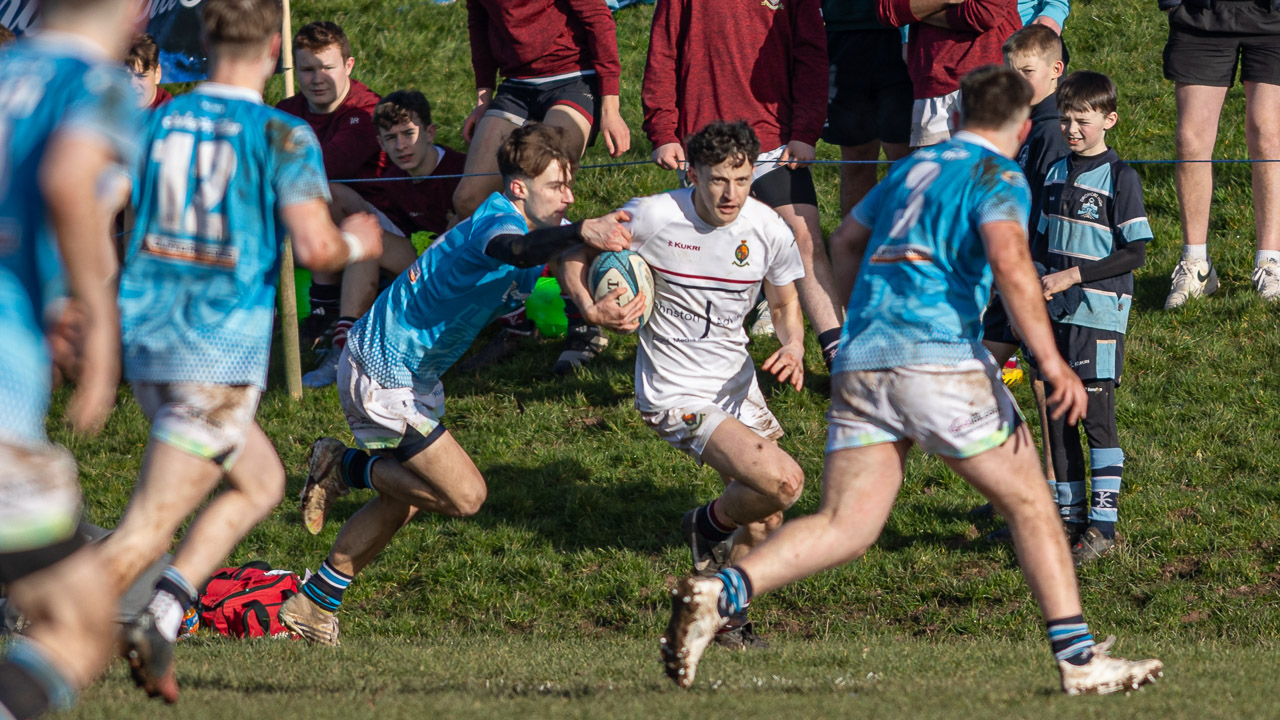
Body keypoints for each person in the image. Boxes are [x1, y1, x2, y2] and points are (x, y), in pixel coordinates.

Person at [659, 65, 1164, 696]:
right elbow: (1011, 264)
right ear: (1017, 126)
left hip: (864, 360)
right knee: (1033, 502)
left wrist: (858, 326)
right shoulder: (998, 173)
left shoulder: (910, 171)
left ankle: (720, 588)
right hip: (940, 361)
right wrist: (1053, 361)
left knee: (846, 524)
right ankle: (1080, 660)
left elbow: (843, 242)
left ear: (955, 117)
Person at [97, 0, 384, 703]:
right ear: (272, 48)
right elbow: (318, 253)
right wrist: (362, 244)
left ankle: (164, 612)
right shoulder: (280, 134)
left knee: (261, 482)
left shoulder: (156, 121)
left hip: (148, 341)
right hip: (214, 351)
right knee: (148, 526)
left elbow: (92, 198)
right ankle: (38, 647)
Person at [278, 123, 640, 646]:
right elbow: (517, 249)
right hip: (382, 367)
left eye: (570, 187)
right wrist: (583, 228)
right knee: (465, 496)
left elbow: (552, 256)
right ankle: (345, 465)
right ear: (519, 187)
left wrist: (591, 309)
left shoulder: (533, 227)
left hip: (412, 374)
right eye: (557, 186)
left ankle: (314, 603)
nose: (570, 197)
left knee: (405, 499)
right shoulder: (495, 221)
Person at [564, 121, 807, 650]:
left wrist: (793, 346)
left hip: (736, 383)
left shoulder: (768, 228)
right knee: (784, 481)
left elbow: (786, 302)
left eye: (742, 180)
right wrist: (591, 309)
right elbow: (574, 249)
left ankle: (727, 618)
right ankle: (709, 525)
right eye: (718, 180)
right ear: (692, 173)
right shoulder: (653, 215)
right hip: (674, 391)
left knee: (768, 510)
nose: (730, 193)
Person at [0, 1, 143, 717]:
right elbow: (65, 179)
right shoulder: (96, 83)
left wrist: (43, 292)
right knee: (82, 626)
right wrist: (102, 332)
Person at [643, 0, 845, 365]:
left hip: (774, 137)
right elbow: (662, 51)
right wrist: (662, 130)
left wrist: (806, 130)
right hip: (703, 140)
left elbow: (812, 56)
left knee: (804, 234)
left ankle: (840, 354)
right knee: (710, 246)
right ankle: (701, 353)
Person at [456, 0, 632, 374]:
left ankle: (584, 324)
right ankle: (515, 321)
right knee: (468, 199)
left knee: (546, 200)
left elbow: (599, 18)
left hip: (573, 78)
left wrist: (611, 107)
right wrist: (483, 100)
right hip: (516, 86)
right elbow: (478, 21)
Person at [1029, 71, 1152, 564]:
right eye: (1065, 119)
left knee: (1096, 421)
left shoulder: (1121, 177)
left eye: (1082, 120)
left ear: (1109, 120)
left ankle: (1103, 528)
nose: (1072, 129)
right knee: (1058, 419)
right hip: (1054, 315)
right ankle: (1068, 520)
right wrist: (1037, 277)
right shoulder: (1056, 171)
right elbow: (1039, 241)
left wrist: (1073, 275)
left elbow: (1136, 253)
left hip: (1099, 315)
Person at [303, 90, 467, 388]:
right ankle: (345, 347)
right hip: (425, 264)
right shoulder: (393, 177)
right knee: (366, 236)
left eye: (408, 134)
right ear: (380, 143)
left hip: (463, 267)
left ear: (430, 132)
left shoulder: (462, 170)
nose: (401, 146)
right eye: (391, 139)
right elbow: (403, 233)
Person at [1160, 0, 1280, 306]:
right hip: (1201, 15)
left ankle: (1271, 264)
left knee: (1268, 135)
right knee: (1190, 139)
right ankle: (1196, 264)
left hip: (1273, 17)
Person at [277, 21, 388, 347]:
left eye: (327, 67)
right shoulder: (286, 111)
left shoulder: (365, 109)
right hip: (304, 223)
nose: (317, 79)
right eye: (308, 69)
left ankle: (325, 308)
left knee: (328, 192)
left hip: (376, 223)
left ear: (348, 65)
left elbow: (328, 167)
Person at [983, 24, 1070, 372]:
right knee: (982, 369)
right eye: (1011, 72)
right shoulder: (1028, 124)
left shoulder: (1053, 131)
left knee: (1044, 376)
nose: (1017, 81)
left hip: (1039, 273)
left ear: (1056, 70)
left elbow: (1050, 208)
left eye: (1027, 72)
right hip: (1019, 268)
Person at [876, 0, 1022, 148]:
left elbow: (986, 12)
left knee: (989, 168)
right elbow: (888, 10)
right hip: (932, 84)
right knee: (938, 169)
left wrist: (915, 13)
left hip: (991, 83)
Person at [822, 0, 913, 218]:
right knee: (856, 155)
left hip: (897, 34)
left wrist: (908, 33)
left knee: (903, 156)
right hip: (840, 34)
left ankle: (903, 245)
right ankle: (853, 247)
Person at [126, 33, 172, 109]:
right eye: (126, 76)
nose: (133, 84)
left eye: (140, 76)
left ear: (157, 74)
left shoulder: (168, 116)